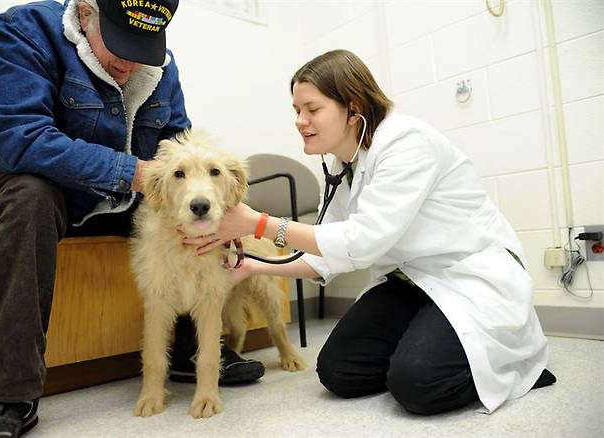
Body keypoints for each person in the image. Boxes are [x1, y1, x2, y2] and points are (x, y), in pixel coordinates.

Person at [0, 1, 262, 436]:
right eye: (120, 45)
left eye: (143, 48)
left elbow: (177, 147)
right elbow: (16, 139)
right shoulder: (23, 31)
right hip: (11, 188)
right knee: (30, 195)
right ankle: (8, 398)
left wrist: (215, 205)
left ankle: (193, 350)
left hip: (114, 197)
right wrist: (129, 172)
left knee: (189, 214)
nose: (131, 63)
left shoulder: (161, 69)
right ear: (85, 12)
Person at [187, 49, 557, 415]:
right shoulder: (340, 163)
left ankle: (513, 365)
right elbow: (323, 256)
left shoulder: (406, 142)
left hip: (468, 277)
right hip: (410, 283)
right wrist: (257, 267)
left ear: (352, 108)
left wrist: (259, 224)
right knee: (338, 372)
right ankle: (424, 348)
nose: (300, 121)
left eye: (312, 109)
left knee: (416, 386)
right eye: (297, 111)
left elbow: (361, 242)